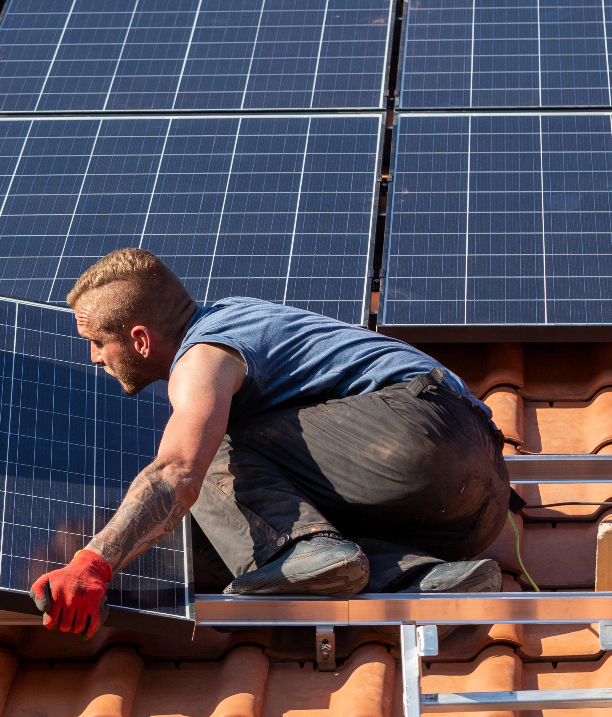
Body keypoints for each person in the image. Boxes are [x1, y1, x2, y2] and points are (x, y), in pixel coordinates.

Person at [31, 249, 513, 635]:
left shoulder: (204, 355)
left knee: (209, 445)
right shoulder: (238, 316)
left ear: (140, 340)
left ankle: (301, 552)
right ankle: (422, 578)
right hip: (474, 508)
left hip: (419, 432)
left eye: (96, 341)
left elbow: (178, 471)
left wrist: (93, 563)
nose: (94, 358)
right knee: (220, 533)